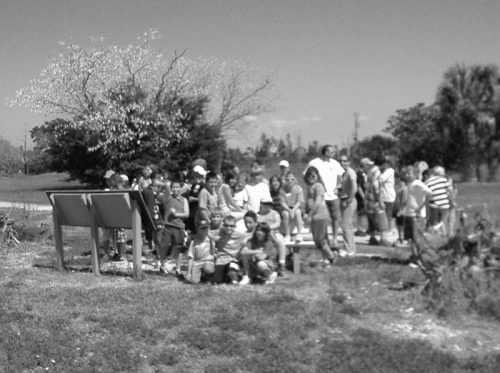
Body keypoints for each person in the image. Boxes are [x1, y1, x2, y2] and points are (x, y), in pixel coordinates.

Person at [303, 145, 344, 248]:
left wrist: (338, 186)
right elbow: (305, 174)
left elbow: (340, 176)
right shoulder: (314, 162)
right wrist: (311, 187)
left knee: (335, 218)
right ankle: (324, 239)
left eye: (334, 152)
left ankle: (334, 239)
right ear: (325, 152)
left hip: (333, 196)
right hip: (321, 196)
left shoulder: (335, 163)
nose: (333, 154)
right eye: (331, 152)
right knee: (322, 219)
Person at [303, 166, 337, 267]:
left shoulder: (318, 186)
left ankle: (331, 257)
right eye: (309, 175)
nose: (311, 177)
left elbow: (317, 202)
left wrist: (309, 215)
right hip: (314, 217)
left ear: (317, 176)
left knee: (320, 241)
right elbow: (308, 202)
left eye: (314, 175)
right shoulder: (309, 187)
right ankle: (326, 259)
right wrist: (305, 212)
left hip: (320, 216)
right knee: (321, 240)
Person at [157, 178, 189, 276]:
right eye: (173, 188)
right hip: (168, 226)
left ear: (180, 188)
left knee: (178, 248)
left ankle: (178, 269)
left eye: (177, 187)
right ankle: (162, 266)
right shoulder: (167, 198)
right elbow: (166, 185)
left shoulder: (184, 200)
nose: (175, 189)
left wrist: (176, 214)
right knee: (164, 247)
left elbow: (186, 214)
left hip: (179, 226)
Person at [399, 165, 432, 246]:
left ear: (416, 175)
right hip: (409, 214)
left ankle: (419, 255)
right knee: (410, 238)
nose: (407, 175)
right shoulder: (410, 184)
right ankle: (414, 255)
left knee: (417, 237)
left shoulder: (418, 184)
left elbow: (430, 193)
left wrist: (421, 207)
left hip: (417, 216)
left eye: (409, 174)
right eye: (406, 174)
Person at [211, 215, 247, 284]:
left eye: (231, 226)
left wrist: (244, 243)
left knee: (232, 270)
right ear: (223, 225)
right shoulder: (219, 233)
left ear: (235, 226)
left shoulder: (240, 235)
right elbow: (206, 233)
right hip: (221, 260)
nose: (229, 228)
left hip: (233, 260)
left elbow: (250, 236)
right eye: (226, 225)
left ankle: (234, 278)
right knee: (216, 281)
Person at [257, 198, 287, 275]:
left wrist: (268, 228)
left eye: (270, 204)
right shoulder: (257, 214)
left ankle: (281, 263)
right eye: (266, 204)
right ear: (261, 204)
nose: (268, 206)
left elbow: (278, 223)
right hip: (262, 234)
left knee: (280, 241)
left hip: (275, 232)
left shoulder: (275, 213)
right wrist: (265, 229)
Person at [185, 218, 215, 284]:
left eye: (206, 228)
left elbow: (215, 253)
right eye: (202, 228)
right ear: (198, 229)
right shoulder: (194, 242)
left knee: (208, 269)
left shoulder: (212, 240)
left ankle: (206, 276)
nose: (204, 231)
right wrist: (189, 272)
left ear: (209, 229)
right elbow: (191, 258)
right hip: (197, 263)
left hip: (208, 262)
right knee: (194, 281)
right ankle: (200, 276)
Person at [361, 157, 383, 245]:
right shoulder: (374, 172)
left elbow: (372, 186)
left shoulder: (372, 172)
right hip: (372, 198)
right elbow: (375, 187)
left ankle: (374, 237)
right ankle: (375, 237)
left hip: (371, 198)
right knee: (375, 218)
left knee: (373, 219)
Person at [425, 166, 452, 236]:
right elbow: (450, 190)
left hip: (434, 204)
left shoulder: (427, 182)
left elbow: (427, 195)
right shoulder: (443, 180)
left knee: (434, 222)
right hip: (445, 204)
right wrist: (449, 198)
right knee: (444, 221)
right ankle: (443, 233)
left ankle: (437, 233)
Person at [339, 155, 358, 255]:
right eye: (341, 161)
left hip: (349, 201)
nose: (343, 163)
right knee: (348, 225)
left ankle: (348, 249)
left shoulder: (351, 172)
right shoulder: (341, 173)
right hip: (343, 200)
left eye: (345, 161)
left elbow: (355, 187)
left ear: (349, 162)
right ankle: (351, 247)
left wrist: (349, 199)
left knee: (345, 224)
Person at [280, 171, 304, 242]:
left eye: (292, 179)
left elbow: (299, 201)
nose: (290, 181)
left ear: (296, 180)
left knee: (298, 212)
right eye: (287, 179)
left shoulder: (299, 188)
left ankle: (299, 234)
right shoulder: (282, 189)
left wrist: (293, 210)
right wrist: (289, 210)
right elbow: (282, 202)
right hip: (286, 208)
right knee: (285, 214)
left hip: (296, 207)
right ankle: (287, 234)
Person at [184, 166, 206, 234]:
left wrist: (194, 199)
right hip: (191, 211)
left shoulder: (204, 186)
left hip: (197, 212)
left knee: (195, 231)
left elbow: (205, 198)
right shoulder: (194, 185)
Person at [379, 157, 396, 228]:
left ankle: (390, 230)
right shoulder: (386, 171)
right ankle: (388, 229)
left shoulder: (390, 170)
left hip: (388, 196)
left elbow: (380, 179)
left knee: (389, 215)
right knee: (385, 215)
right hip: (385, 196)